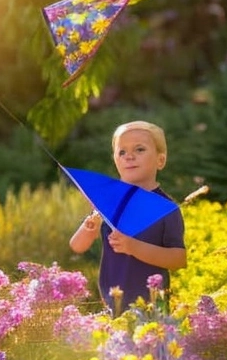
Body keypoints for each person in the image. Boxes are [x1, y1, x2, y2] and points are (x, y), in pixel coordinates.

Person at [69, 120, 187, 315]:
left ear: (160, 160)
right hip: (112, 303)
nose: (129, 156)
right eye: (121, 152)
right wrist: (88, 228)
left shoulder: (165, 208)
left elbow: (178, 259)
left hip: (151, 308)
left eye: (139, 149)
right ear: (115, 160)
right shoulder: (111, 203)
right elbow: (77, 246)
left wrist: (133, 247)